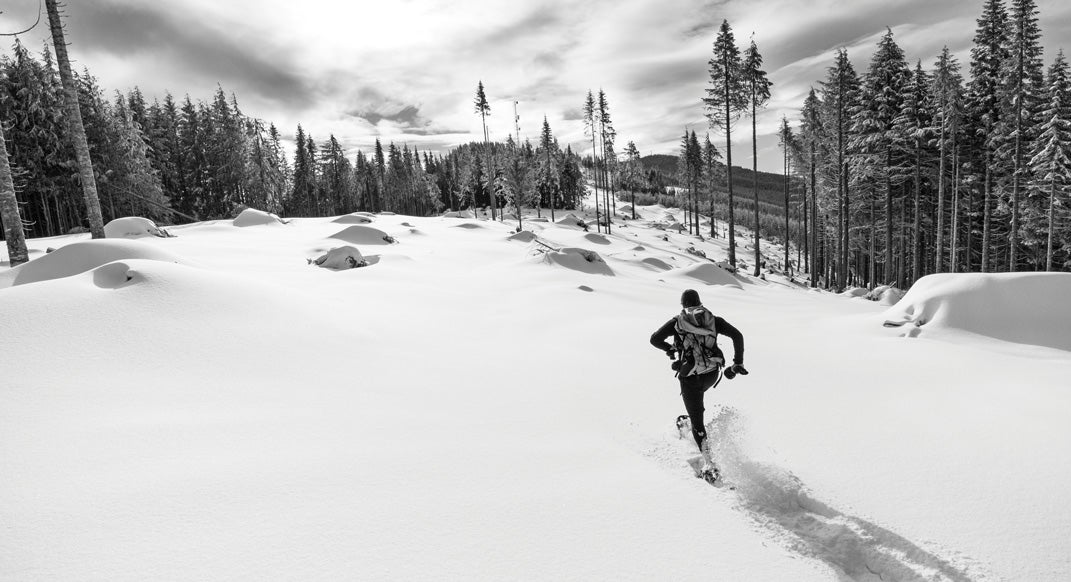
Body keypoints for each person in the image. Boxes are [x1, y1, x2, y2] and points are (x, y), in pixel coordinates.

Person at [650, 289, 747, 457]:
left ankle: (709, 463)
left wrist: (669, 349)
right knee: (696, 405)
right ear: (700, 302)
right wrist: (737, 362)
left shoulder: (677, 322)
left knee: (698, 423)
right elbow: (737, 335)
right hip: (711, 374)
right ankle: (692, 418)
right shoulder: (713, 320)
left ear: (682, 305)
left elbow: (654, 339)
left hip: (690, 377)